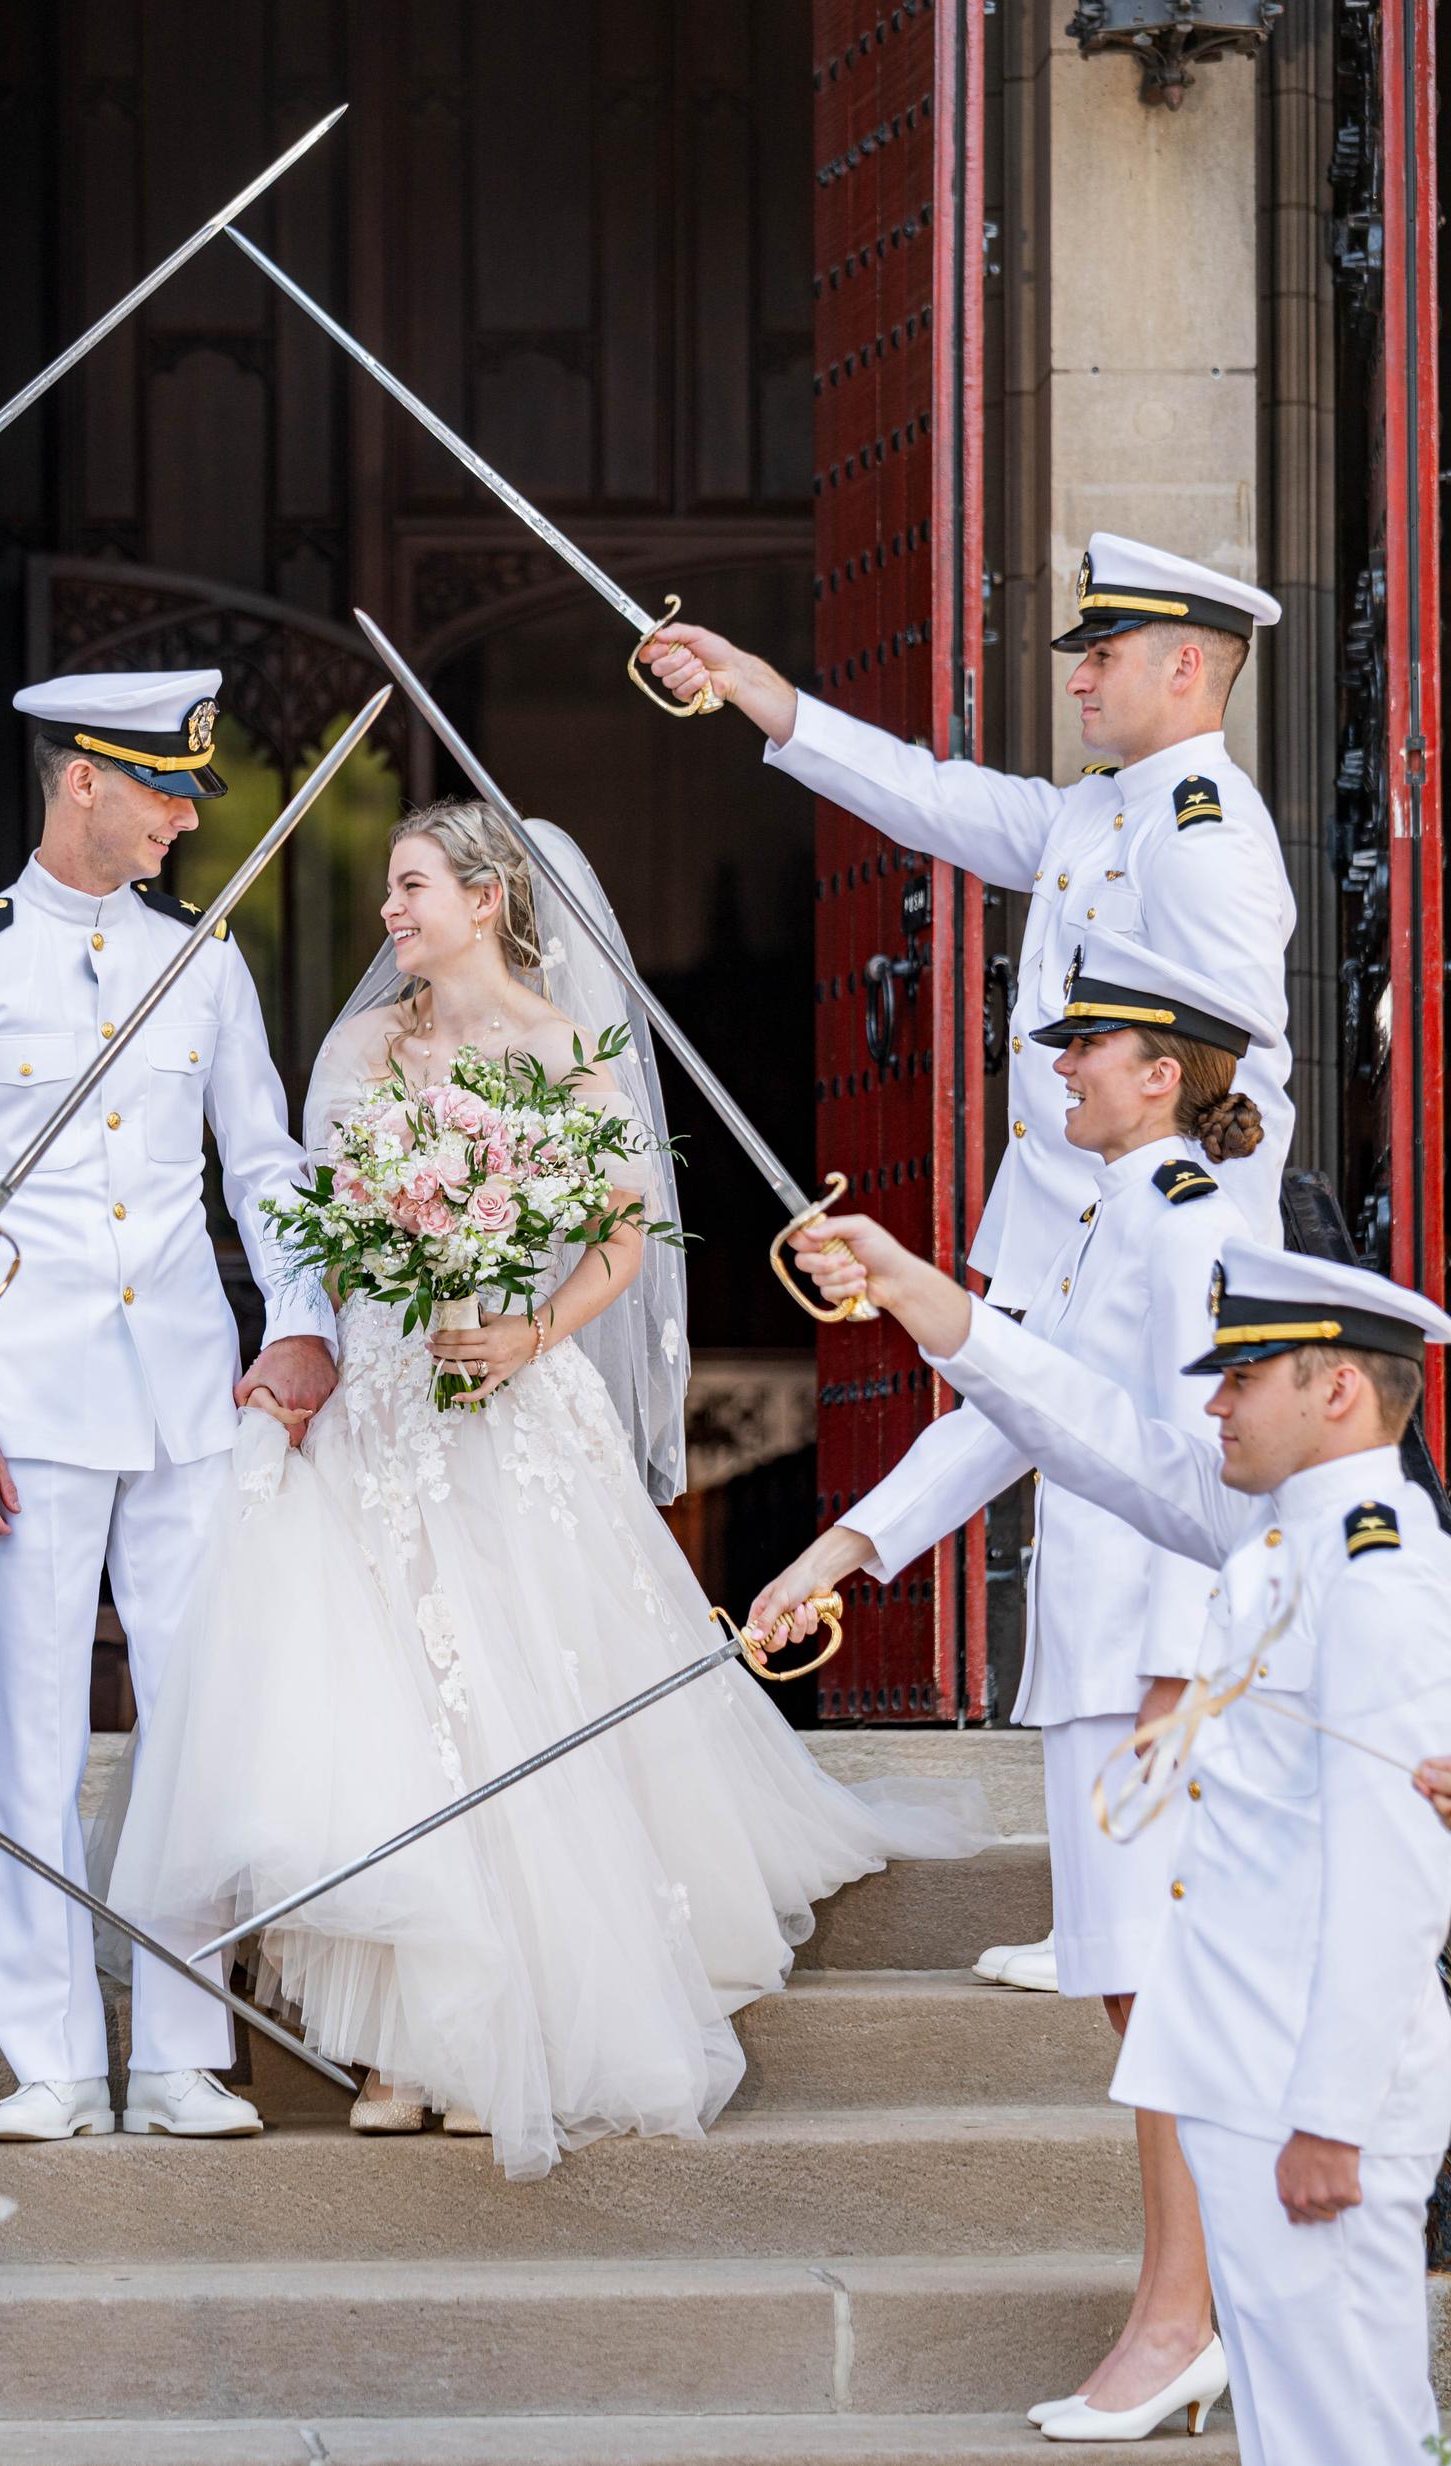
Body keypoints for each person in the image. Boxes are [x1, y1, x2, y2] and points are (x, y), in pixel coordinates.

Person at [107, 802, 987, 2181]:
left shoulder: (570, 1046)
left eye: (409, 887)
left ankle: (495, 2029)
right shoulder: (361, 1044)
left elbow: (623, 1246)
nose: (389, 913)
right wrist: (371, 1291)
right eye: (390, 890)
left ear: (485, 896)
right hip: (392, 1403)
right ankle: (402, 2046)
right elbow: (320, 1229)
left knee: (519, 1696)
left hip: (518, 1399)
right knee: (388, 1706)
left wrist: (524, 1328)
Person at [645, 529, 1297, 2004]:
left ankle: (1140, 1921)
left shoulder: (1201, 831)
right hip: (1078, 1203)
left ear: (1187, 665)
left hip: (1133, 1212)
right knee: (1071, 1501)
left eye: (1106, 654)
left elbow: (1242, 1052)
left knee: (1137, 1539)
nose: (1079, 677)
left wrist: (1180, 1219)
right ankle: (1107, 1913)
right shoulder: (1101, 807)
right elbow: (937, 801)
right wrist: (761, 694)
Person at [786, 1214, 1451, 2465]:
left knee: (1349, 2435)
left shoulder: (1371, 1574)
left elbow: (1389, 1868)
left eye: (1244, 1378)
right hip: (1243, 2069)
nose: (1214, 1407)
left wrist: (1330, 2112)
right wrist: (922, 1295)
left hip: (1311, 2082)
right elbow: (1089, 1427)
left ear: (1341, 1388)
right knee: (1298, 2435)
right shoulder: (1277, 1535)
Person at [751, 933, 1271, 2437]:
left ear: (1161, 1075)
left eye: (1086, 1050)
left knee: (1158, 1996)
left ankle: (1186, 2314)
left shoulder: (1187, 1226)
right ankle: (1208, 2292)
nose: (1058, 1069)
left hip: (1150, 1669)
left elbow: (1211, 1452)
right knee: (1132, 1992)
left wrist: (1184, 1679)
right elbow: (1016, 1408)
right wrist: (844, 1550)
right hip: (1104, 1656)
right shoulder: (1115, 1215)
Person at [0, 669, 337, 2142]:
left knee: (190, 1727)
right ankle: (57, 2056)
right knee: (39, 1741)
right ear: (82, 779)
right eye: (161, 786)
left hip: (193, 1390)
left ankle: (181, 2049)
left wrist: (306, 1322)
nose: (185, 815)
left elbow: (260, 1164)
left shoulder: (201, 962)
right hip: (26, 1396)